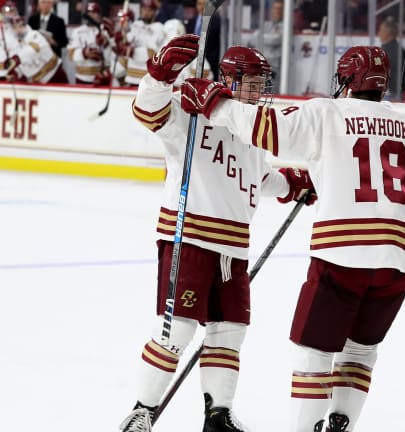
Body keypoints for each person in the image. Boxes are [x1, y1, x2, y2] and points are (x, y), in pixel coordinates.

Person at [178, 46, 405, 432]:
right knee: (362, 349)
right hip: (398, 259)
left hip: (342, 254)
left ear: (347, 79)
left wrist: (215, 104)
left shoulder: (325, 112)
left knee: (313, 352)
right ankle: (341, 424)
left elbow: (266, 128)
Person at [119, 35, 317, 432]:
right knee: (177, 330)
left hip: (233, 246)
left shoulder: (249, 126)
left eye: (264, 83)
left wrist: (291, 183)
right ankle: (141, 411)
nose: (261, 91)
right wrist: (160, 75)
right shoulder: (191, 110)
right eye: (254, 82)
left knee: (230, 331)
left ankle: (218, 414)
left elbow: (256, 178)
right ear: (231, 77)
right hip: (189, 236)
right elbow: (147, 111)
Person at [1, 9, 68, 83]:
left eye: (21, 26)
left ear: (25, 25)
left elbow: (32, 49)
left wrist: (16, 59)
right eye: (15, 27)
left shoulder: (34, 35)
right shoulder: (14, 44)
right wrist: (14, 73)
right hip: (37, 82)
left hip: (55, 74)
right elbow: (20, 67)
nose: (18, 29)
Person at [114, 0, 166, 86]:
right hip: (131, 77)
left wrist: (133, 52)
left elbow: (153, 54)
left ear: (155, 12)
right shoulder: (136, 25)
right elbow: (126, 43)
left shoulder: (159, 29)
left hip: (147, 80)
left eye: (149, 10)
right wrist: (119, 36)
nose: (146, 12)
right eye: (144, 9)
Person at [67, 1, 111, 85]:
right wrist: (84, 53)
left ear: (99, 15)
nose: (92, 15)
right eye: (90, 13)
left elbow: (109, 59)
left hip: (100, 76)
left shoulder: (105, 31)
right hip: (82, 77)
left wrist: (105, 44)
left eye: (95, 12)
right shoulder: (77, 32)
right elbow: (71, 55)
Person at [247, 0, 283, 93]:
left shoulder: (285, 25)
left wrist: (260, 37)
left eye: (280, 9)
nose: (277, 11)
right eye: (275, 9)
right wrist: (263, 37)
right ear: (272, 10)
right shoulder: (266, 24)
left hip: (275, 65)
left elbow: (275, 40)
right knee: (259, 91)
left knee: (271, 92)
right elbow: (252, 38)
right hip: (261, 64)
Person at [185, 0, 220, 79]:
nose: (202, 7)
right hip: (193, 61)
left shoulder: (217, 22)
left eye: (205, 4)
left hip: (211, 63)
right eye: (199, 4)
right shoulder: (190, 22)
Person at [377, 16, 405, 99]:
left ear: (389, 34)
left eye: (381, 31)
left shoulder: (389, 51)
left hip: (394, 94)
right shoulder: (395, 48)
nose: (379, 34)